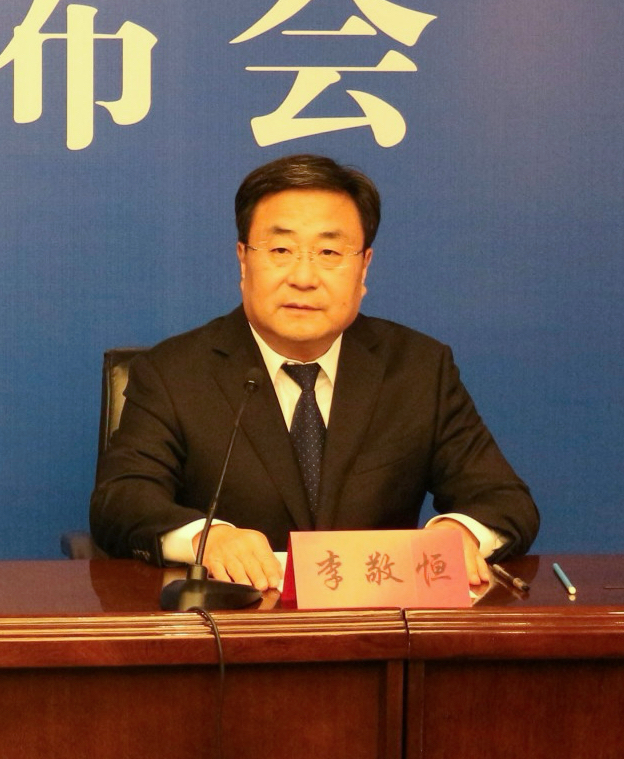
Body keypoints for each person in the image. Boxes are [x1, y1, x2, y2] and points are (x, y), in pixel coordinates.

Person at [90, 153, 538, 593]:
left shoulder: (418, 368)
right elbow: (121, 500)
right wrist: (206, 538)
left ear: (364, 266)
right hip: (234, 623)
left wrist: (460, 533)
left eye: (329, 252)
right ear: (243, 260)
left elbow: (504, 500)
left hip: (376, 624)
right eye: (281, 250)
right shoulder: (174, 372)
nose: (303, 277)